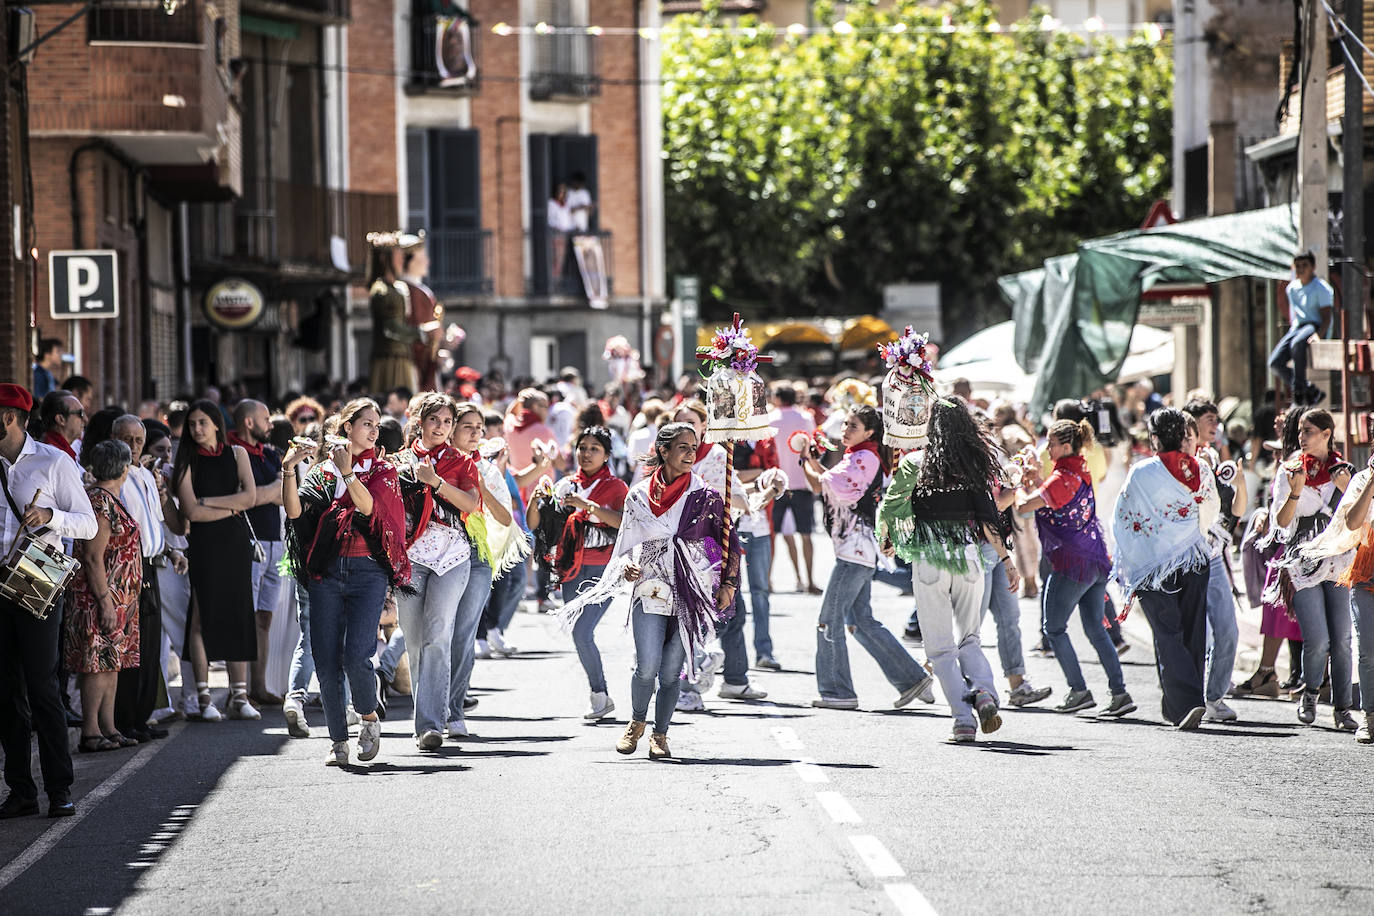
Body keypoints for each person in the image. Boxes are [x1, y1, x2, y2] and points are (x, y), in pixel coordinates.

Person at [561, 422, 741, 759]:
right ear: (663, 450)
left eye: (695, 447)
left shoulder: (705, 495)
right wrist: (627, 564)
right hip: (650, 588)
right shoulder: (639, 495)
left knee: (672, 670)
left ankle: (660, 735)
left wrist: (724, 582)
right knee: (647, 666)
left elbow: (719, 543)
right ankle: (636, 722)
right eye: (684, 447)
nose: (691, 454)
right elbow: (628, 541)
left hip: (692, 592)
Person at [877, 396, 1014, 743]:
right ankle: (983, 691)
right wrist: (1008, 561)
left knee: (939, 649)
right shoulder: (973, 466)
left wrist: (889, 538)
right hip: (970, 559)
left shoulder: (914, 463)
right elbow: (989, 520)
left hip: (929, 560)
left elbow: (892, 506)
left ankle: (963, 720)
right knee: (970, 639)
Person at [283, 398, 411, 766]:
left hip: (367, 572)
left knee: (357, 655)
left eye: (376, 425)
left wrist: (349, 473)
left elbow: (370, 509)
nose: (373, 430)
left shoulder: (383, 470)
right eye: (366, 424)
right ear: (346, 428)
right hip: (325, 571)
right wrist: (289, 471)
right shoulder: (322, 472)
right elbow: (295, 512)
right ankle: (337, 740)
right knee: (325, 658)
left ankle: (368, 716)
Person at [0, 383, 96, 820]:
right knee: (5, 692)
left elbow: (89, 525)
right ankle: (20, 789)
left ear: (9, 419)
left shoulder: (54, 462)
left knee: (42, 686)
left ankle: (60, 788)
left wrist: (50, 516)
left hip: (37, 573)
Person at [805, 406, 936, 711]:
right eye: (846, 424)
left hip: (855, 553)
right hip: (857, 551)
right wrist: (810, 462)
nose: (846, 430)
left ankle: (838, 691)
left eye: (854, 426)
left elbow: (827, 485)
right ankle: (912, 679)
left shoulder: (864, 458)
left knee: (829, 621)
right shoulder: (859, 457)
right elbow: (826, 481)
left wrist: (807, 463)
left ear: (870, 433)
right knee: (860, 621)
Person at [1112, 408, 1221, 730]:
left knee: (1167, 633)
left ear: (1155, 437)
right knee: (1192, 631)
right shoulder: (1201, 468)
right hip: (1195, 559)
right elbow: (1211, 513)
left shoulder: (1143, 472)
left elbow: (1122, 516)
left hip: (1154, 565)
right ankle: (1177, 706)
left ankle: (1188, 703)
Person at [1017, 419, 1134, 717]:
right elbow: (1050, 495)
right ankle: (1120, 693)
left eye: (1052, 444)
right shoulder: (1078, 469)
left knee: (1054, 629)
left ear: (1065, 446)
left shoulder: (1062, 478)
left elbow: (1022, 507)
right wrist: (1036, 478)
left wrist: (1018, 483)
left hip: (1071, 564)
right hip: (1094, 558)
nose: (1048, 448)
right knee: (1096, 629)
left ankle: (1078, 690)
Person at [393, 393, 480, 749]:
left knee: (438, 634)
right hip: (410, 556)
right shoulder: (398, 461)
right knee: (414, 639)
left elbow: (472, 504)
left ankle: (430, 725)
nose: (441, 428)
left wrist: (435, 482)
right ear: (419, 421)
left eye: (447, 422)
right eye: (435, 420)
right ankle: (426, 715)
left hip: (451, 555)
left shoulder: (462, 462)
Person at [527, 426, 628, 720]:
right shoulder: (565, 485)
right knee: (578, 633)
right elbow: (536, 524)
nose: (586, 453)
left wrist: (588, 507)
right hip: (570, 567)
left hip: (604, 568)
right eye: (582, 447)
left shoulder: (616, 487)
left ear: (607, 455)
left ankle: (599, 694)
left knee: (583, 632)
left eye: (594, 448)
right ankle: (600, 696)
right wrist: (535, 500)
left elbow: (624, 523)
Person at [171, 400, 260, 722]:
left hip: (234, 544)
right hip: (205, 546)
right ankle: (205, 698)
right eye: (192, 424)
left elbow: (249, 498)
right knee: (200, 617)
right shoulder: (185, 461)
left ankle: (239, 695)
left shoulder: (237, 454)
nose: (196, 429)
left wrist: (208, 502)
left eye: (202, 423)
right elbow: (190, 512)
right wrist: (229, 506)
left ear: (216, 424)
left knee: (238, 613)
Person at [1270, 408, 1356, 729]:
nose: (1302, 437)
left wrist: (1347, 488)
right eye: (1300, 432)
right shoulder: (1290, 470)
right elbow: (1281, 522)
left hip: (1338, 561)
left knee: (1343, 639)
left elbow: (1359, 517)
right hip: (1303, 561)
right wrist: (1296, 490)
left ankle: (1343, 709)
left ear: (1326, 434)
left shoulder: (1345, 471)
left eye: (1308, 431)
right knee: (1317, 639)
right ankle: (1310, 693)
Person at [65, 440, 142, 752]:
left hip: (118, 599)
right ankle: (91, 731)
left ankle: (109, 727)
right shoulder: (99, 501)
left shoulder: (109, 498)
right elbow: (93, 558)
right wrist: (105, 602)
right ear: (123, 467)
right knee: (96, 663)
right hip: (98, 598)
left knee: (111, 663)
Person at [446, 404, 515, 738]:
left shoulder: (487, 470)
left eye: (479, 427)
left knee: (463, 633)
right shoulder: (437, 462)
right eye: (467, 426)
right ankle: (427, 705)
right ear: (451, 429)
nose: (475, 433)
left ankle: (454, 709)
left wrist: (479, 484)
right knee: (434, 633)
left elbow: (505, 518)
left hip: (476, 556)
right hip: (438, 553)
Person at [1181, 400, 1247, 723]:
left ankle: (1214, 697)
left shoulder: (1215, 456)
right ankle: (1189, 699)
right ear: (1190, 424)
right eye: (1209, 419)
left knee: (1228, 630)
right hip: (1185, 557)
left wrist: (1239, 481)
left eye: (1216, 419)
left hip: (1214, 555)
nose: (1215, 425)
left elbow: (1233, 509)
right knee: (1194, 633)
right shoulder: (1180, 461)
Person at [110, 415, 173, 742]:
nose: (133, 446)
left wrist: (171, 551)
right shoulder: (112, 477)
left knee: (150, 644)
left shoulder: (147, 475)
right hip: (127, 569)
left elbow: (155, 523)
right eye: (127, 439)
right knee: (130, 647)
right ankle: (125, 718)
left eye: (138, 440)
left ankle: (143, 714)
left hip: (150, 565)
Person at [228, 399, 287, 707]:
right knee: (244, 616)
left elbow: (283, 496)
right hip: (248, 544)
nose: (271, 424)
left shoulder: (270, 454)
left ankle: (259, 687)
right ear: (249, 422)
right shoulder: (233, 453)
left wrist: (261, 494)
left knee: (264, 617)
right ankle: (239, 691)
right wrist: (266, 493)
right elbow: (244, 499)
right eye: (266, 418)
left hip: (274, 542)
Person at [770, 385, 820, 593]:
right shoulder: (805, 417)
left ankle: (767, 581)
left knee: (771, 535)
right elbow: (815, 445)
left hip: (776, 483)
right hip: (803, 482)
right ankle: (809, 581)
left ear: (778, 398)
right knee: (806, 535)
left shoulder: (770, 419)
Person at [1269, 251, 1333, 406]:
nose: (1301, 269)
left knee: (1297, 344)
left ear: (1313, 267)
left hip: (1314, 325)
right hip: (1298, 327)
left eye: (1305, 265)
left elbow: (1326, 316)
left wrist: (1319, 334)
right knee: (1275, 362)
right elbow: (1296, 315)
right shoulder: (1292, 288)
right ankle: (1309, 389)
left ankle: (1299, 389)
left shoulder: (1321, 288)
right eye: (1297, 266)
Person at [367, 231, 424, 394]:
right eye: (398, 255)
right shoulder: (381, 290)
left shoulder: (399, 288)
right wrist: (423, 333)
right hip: (388, 362)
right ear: (385, 259)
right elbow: (391, 329)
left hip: (403, 357)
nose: (402, 259)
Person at [36, 390, 85, 462]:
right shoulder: (55, 457)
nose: (85, 419)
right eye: (80, 413)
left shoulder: (62, 452)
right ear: (61, 419)